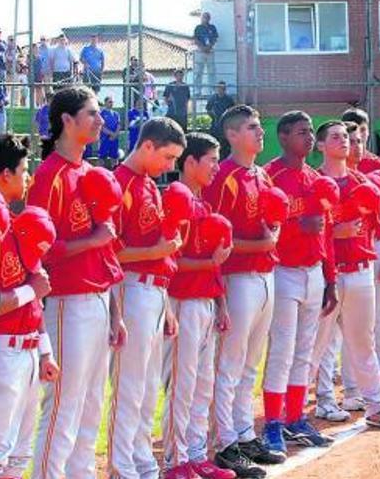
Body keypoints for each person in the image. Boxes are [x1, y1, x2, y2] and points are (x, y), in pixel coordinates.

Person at [28, 86, 126, 479]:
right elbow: (37, 250)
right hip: (67, 300)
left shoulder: (89, 172)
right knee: (64, 406)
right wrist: (92, 240)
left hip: (97, 299)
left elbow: (106, 251)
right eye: (91, 113)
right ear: (66, 121)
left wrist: (115, 311)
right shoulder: (49, 175)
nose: (100, 120)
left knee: (90, 405)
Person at [0, 133, 60, 479]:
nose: (29, 177)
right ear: (5, 174)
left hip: (25, 350)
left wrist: (45, 351)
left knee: (19, 454)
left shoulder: (17, 226)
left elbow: (34, 296)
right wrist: (31, 290)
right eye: (24, 170)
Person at [205, 105, 284, 478]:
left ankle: (244, 431)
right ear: (232, 135)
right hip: (237, 278)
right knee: (230, 364)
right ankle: (225, 443)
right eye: (252, 127)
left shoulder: (262, 175)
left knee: (250, 362)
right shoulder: (224, 176)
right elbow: (216, 239)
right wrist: (263, 245)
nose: (259, 132)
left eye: (258, 126)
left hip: (264, 276)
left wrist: (272, 238)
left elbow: (270, 228)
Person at [311, 120, 380, 432]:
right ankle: (313, 405)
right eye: (335, 137)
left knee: (362, 341)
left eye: (346, 137)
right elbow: (303, 233)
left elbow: (375, 225)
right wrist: (334, 232)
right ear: (320, 145)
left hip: (361, 269)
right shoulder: (313, 182)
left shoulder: (363, 181)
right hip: (327, 272)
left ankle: (376, 405)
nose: (344, 142)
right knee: (317, 344)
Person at [107, 118, 185, 479]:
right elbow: (108, 253)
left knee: (148, 384)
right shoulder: (118, 183)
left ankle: (140, 460)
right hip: (130, 287)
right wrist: (158, 249)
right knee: (129, 384)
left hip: (154, 290)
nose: (170, 166)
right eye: (167, 157)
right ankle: (122, 466)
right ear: (148, 146)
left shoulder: (148, 185)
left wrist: (167, 305)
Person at [159, 132, 236, 479]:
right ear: (189, 162)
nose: (217, 168)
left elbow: (210, 261)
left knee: (203, 383)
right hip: (182, 301)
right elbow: (170, 257)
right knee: (182, 384)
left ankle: (196, 455)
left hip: (204, 299)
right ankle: (175, 461)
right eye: (211, 161)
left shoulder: (201, 203)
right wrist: (211, 266)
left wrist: (221, 302)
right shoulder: (177, 197)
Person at [260, 111, 335, 454]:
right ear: (284, 137)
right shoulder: (270, 175)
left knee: (305, 350)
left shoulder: (315, 177)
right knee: (282, 348)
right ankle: (273, 423)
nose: (308, 138)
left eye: (309, 132)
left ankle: (295, 419)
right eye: (302, 132)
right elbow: (261, 226)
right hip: (283, 270)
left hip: (313, 270)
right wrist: (295, 224)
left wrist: (330, 277)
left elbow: (326, 231)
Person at [340, 108, 380, 404]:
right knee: (342, 323)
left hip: (373, 245)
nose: (355, 140)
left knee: (375, 318)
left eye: (360, 132)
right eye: (348, 135)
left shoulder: (379, 168)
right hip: (343, 251)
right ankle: (346, 387)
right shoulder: (330, 171)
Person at [193, 12, 219, 96]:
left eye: (207, 17)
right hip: (200, 51)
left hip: (210, 51)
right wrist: (202, 48)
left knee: (211, 71)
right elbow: (196, 39)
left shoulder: (212, 27)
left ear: (209, 19)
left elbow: (215, 38)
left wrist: (209, 47)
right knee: (198, 71)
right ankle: (197, 90)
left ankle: (212, 89)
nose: (206, 19)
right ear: (201, 18)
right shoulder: (198, 28)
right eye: (204, 17)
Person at [98, 96, 121, 168]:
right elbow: (102, 127)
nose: (111, 104)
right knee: (102, 157)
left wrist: (115, 135)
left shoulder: (116, 114)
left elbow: (118, 125)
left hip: (114, 139)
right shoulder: (101, 113)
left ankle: (114, 171)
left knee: (114, 156)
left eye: (112, 102)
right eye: (110, 102)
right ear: (105, 103)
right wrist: (111, 134)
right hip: (105, 139)